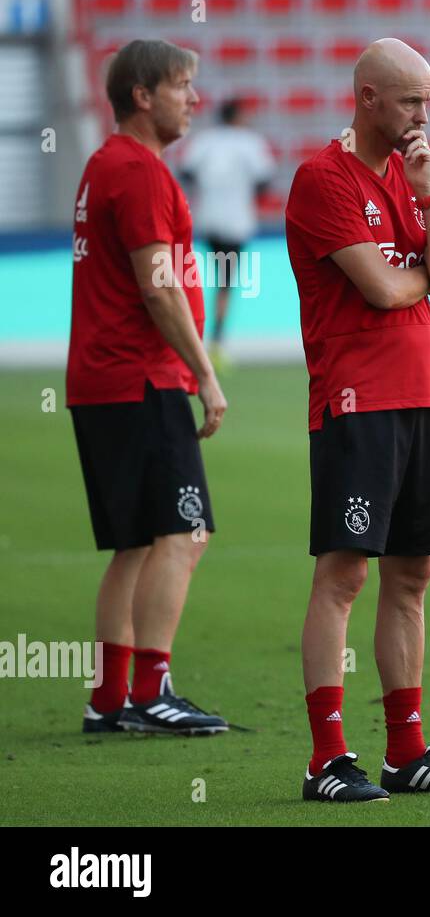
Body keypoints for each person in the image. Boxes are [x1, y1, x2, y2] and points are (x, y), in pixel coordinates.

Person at [285, 38, 430, 802]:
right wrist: (418, 273)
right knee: (344, 573)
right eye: (410, 101)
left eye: (427, 100)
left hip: (423, 397)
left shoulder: (411, 173)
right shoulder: (321, 178)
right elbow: (382, 290)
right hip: (356, 401)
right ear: (367, 98)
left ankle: (406, 751)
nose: (424, 116)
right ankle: (326, 758)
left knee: (413, 573)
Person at [68, 39, 229, 736]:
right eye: (182, 85)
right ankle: (151, 689)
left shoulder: (105, 166)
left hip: (104, 379)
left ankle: (110, 699)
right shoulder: (138, 173)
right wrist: (205, 371)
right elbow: (160, 289)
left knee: (134, 541)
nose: (195, 99)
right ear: (143, 95)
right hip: (141, 377)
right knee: (184, 531)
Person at [177, 96, 275, 369]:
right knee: (225, 284)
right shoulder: (250, 142)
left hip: (207, 218)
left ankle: (190, 336)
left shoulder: (204, 141)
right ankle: (216, 343)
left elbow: (185, 172)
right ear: (238, 116)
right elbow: (265, 180)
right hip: (235, 222)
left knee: (193, 279)